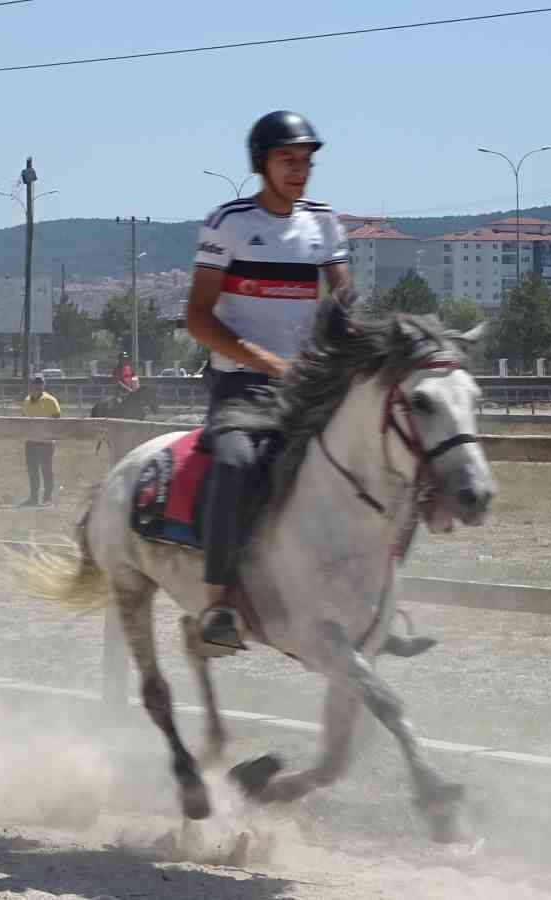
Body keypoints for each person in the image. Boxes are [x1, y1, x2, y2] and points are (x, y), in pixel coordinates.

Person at [184, 110, 353, 650]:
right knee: (234, 463)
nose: (300, 170)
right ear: (262, 164)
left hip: (305, 388)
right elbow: (199, 320)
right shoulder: (227, 223)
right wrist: (269, 363)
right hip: (241, 387)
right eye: (288, 160)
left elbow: (346, 308)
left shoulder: (323, 224)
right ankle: (217, 604)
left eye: (306, 161)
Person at [20, 374, 61, 506]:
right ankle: (33, 498)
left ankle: (47, 498)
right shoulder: (26, 401)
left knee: (46, 470)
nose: (37, 386)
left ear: (43, 385)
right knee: (32, 471)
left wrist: (49, 434)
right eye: (35, 383)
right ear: (31, 385)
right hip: (31, 441)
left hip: (46, 442)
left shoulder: (51, 400)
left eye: (40, 383)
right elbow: (24, 418)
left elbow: (57, 418)